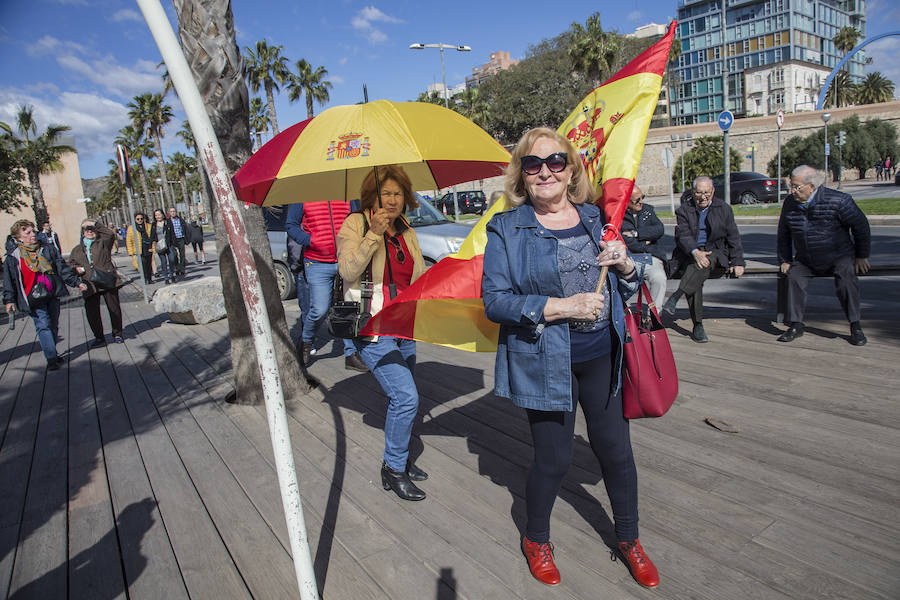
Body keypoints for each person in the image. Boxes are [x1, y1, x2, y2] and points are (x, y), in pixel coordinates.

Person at [481, 127, 658, 589]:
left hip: (602, 353)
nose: (545, 172)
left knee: (616, 451)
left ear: (570, 169)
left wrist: (624, 265)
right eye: (533, 164)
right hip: (544, 361)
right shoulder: (506, 227)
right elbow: (495, 301)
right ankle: (536, 538)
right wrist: (562, 307)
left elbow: (628, 286)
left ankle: (629, 539)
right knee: (554, 461)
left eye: (555, 162)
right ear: (522, 174)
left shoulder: (595, 217)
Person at [337, 165, 429, 501]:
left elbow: (416, 274)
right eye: (385, 193)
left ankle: (401, 457)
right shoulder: (356, 223)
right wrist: (373, 234)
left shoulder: (406, 228)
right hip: (372, 326)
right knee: (405, 397)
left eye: (398, 193)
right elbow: (346, 269)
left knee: (406, 395)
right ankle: (393, 469)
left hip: (405, 324)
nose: (392, 200)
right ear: (371, 197)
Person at [776, 165, 871, 345]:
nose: (792, 191)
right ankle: (796, 324)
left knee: (846, 279)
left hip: (838, 255)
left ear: (811, 186)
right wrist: (785, 259)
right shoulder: (790, 203)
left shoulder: (839, 200)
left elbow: (861, 227)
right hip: (806, 258)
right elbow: (783, 234)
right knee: (794, 277)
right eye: (791, 186)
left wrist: (862, 255)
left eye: (797, 187)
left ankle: (855, 325)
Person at [661, 176, 744, 343]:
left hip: (716, 252)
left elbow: (733, 236)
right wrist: (695, 252)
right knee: (697, 269)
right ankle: (697, 324)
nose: (703, 196)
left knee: (702, 264)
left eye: (707, 192)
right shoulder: (684, 210)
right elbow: (682, 236)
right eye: (699, 192)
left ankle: (677, 297)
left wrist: (738, 261)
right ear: (693, 192)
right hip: (689, 254)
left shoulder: (724, 209)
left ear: (713, 192)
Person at [288, 200, 367, 372]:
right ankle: (306, 341)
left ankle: (351, 354)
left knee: (347, 308)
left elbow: (358, 220)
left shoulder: (346, 194)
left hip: (344, 260)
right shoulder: (302, 195)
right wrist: (310, 240)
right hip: (316, 263)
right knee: (320, 309)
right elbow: (291, 225)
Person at [3, 219, 86, 369]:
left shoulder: (47, 249)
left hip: (51, 293)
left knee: (53, 324)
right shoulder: (13, 257)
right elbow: (10, 281)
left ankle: (52, 352)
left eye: (33, 231)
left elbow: (62, 268)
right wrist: (9, 300)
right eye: (27, 232)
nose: (32, 234)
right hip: (31, 297)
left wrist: (76, 282)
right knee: (43, 325)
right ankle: (51, 359)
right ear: (19, 237)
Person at [69, 219, 125, 346]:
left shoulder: (103, 243)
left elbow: (110, 234)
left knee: (114, 308)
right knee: (92, 312)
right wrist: (76, 269)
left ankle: (117, 333)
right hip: (89, 283)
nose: (89, 231)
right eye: (86, 230)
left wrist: (95, 224)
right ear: (82, 233)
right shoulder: (77, 249)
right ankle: (99, 337)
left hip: (107, 279)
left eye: (91, 229)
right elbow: (71, 264)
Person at [621, 185, 667, 306]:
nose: (641, 202)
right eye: (637, 200)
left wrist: (636, 234)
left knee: (659, 278)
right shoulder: (619, 215)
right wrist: (646, 241)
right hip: (628, 258)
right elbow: (624, 240)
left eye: (642, 197)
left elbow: (659, 229)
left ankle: (653, 317)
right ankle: (623, 315)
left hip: (650, 256)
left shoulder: (648, 211)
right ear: (627, 200)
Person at [126, 212, 154, 284]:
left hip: (148, 248)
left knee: (149, 264)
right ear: (135, 220)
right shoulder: (131, 228)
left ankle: (149, 278)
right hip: (138, 249)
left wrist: (152, 248)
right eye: (138, 219)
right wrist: (130, 252)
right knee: (142, 264)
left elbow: (152, 237)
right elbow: (129, 240)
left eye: (141, 219)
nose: (140, 220)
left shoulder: (148, 226)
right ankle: (145, 279)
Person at [150, 208, 176, 284]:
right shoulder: (154, 224)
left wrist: (174, 244)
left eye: (159, 214)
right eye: (156, 215)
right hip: (160, 246)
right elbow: (152, 235)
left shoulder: (168, 222)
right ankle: (166, 278)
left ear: (162, 215)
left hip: (169, 244)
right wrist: (150, 246)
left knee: (172, 260)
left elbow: (172, 233)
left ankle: (171, 274)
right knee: (163, 262)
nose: (158, 216)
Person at [167, 207, 189, 278]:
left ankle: (182, 268)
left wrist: (187, 239)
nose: (173, 213)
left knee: (182, 254)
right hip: (173, 240)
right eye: (171, 211)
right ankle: (177, 268)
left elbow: (185, 229)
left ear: (176, 212)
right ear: (169, 213)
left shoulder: (180, 220)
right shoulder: (168, 221)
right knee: (174, 255)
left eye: (174, 211)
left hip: (181, 238)